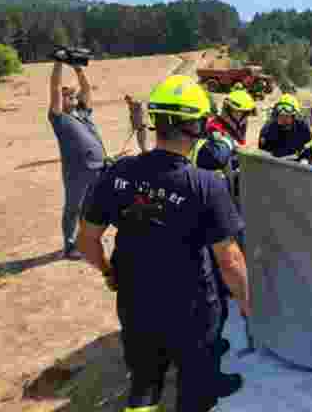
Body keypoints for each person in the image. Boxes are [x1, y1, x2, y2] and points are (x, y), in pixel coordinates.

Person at [77, 75, 250, 412]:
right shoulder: (205, 185)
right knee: (196, 384)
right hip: (192, 305)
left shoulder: (116, 173)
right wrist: (246, 301)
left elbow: (87, 239)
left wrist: (108, 271)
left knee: (144, 381)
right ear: (195, 125)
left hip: (135, 297)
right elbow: (229, 260)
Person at [48, 60, 106, 260]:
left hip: (98, 168)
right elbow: (54, 88)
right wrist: (58, 64)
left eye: (72, 94)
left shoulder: (83, 113)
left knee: (91, 206)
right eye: (65, 96)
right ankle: (70, 245)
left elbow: (87, 89)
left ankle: (86, 239)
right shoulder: (59, 118)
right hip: (77, 171)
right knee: (74, 208)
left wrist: (78, 68)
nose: (70, 97)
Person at [258, 94, 312, 164]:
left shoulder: (302, 127)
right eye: (281, 115)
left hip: (299, 164)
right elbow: (263, 152)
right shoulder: (268, 129)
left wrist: (305, 159)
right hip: (275, 165)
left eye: (286, 115)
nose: (283, 117)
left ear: (294, 115)